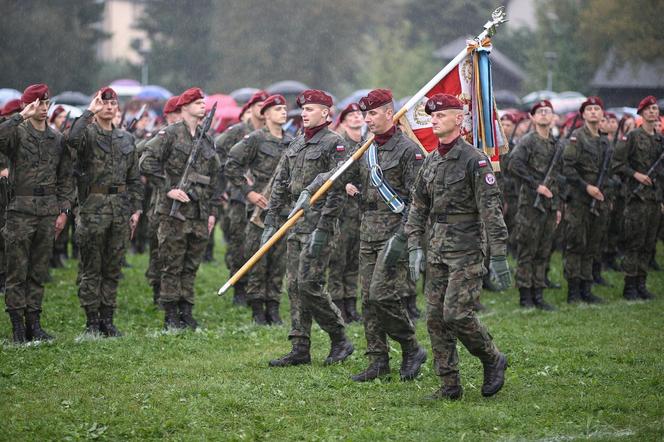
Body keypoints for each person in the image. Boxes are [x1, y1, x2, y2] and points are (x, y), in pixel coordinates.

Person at [406, 93, 509, 400]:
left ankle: (492, 358)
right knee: (435, 319)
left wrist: (500, 254)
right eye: (432, 117)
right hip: (437, 248)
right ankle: (449, 384)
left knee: (456, 315)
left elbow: (491, 209)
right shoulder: (432, 160)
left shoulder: (474, 160)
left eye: (440, 116)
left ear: (459, 119)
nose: (434, 120)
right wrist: (414, 246)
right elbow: (418, 206)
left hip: (466, 249)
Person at [332, 89, 427, 382]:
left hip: (394, 234)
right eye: (365, 114)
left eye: (373, 113)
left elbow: (418, 200)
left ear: (390, 113)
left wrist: (405, 237)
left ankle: (411, 346)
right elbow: (342, 171)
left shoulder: (408, 150)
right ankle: (377, 359)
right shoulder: (365, 147)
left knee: (383, 295)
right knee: (369, 299)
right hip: (368, 231)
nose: (367, 120)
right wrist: (335, 186)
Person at [264, 89, 353, 367]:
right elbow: (280, 182)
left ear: (326, 113)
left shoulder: (335, 144)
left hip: (319, 225)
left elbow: (337, 189)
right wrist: (270, 221)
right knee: (294, 286)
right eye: (303, 109)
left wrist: (324, 228)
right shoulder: (297, 142)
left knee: (309, 284)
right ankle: (300, 346)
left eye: (311, 109)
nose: (304, 113)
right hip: (295, 223)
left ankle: (339, 338)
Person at [141, 87, 222, 330]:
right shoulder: (170, 134)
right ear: (184, 107)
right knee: (171, 264)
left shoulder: (206, 138)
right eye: (197, 103)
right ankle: (170, 314)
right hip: (173, 212)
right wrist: (167, 188)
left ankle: (186, 311)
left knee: (190, 265)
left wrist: (211, 212)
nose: (202, 106)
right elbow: (145, 161)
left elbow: (214, 175)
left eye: (203, 102)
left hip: (198, 212)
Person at [0, 84, 74, 343]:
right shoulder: (17, 133)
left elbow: (65, 178)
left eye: (46, 103)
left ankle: (34, 322)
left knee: (38, 269)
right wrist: (20, 115)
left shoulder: (56, 139)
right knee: (17, 270)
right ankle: (17, 326)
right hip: (20, 211)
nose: (43, 108)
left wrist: (64, 209)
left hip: (47, 211)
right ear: (28, 105)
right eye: (38, 104)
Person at [67, 87, 143, 336]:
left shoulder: (126, 139)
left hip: (120, 210)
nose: (109, 107)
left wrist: (136, 209)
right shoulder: (87, 134)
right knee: (91, 268)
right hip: (93, 209)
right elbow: (71, 140)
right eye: (104, 103)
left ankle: (107, 320)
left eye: (113, 103)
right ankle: (91, 321)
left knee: (112, 268)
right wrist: (90, 111)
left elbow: (134, 178)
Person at [225, 94, 292, 325]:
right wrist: (248, 192)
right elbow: (232, 164)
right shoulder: (255, 139)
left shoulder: (291, 142)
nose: (283, 112)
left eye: (284, 109)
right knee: (258, 258)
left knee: (278, 261)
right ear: (265, 114)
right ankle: (257, 309)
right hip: (259, 211)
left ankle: (273, 307)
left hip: (283, 209)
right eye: (277, 109)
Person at [216, 90, 269, 306]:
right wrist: (229, 176)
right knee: (239, 241)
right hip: (240, 195)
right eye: (260, 106)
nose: (264, 110)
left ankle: (258, 287)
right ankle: (239, 286)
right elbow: (218, 148)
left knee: (259, 242)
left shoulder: (269, 133)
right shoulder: (239, 131)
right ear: (251, 108)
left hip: (263, 195)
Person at [508, 100, 560, 310]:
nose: (544, 115)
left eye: (548, 112)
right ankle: (525, 295)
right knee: (527, 250)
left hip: (549, 205)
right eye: (540, 112)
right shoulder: (528, 141)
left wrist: (557, 206)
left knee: (543, 250)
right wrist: (535, 185)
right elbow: (514, 164)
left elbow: (558, 176)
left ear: (553, 117)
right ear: (532, 117)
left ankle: (538, 293)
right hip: (530, 204)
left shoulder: (555, 143)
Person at [613, 96, 663, 300]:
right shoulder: (633, 136)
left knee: (648, 243)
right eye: (648, 109)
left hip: (654, 199)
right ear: (641, 113)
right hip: (636, 199)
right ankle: (630, 285)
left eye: (654, 109)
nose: (653, 111)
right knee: (634, 241)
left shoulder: (659, 139)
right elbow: (617, 164)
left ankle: (641, 283)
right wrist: (636, 175)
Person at [561, 97, 608, 304]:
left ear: (602, 114)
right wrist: (586, 187)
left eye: (597, 109)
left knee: (592, 245)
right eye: (589, 109)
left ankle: (586, 288)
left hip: (598, 201)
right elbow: (567, 168)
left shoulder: (605, 141)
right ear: (583, 114)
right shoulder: (577, 138)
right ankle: (573, 291)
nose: (594, 112)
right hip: (579, 200)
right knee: (576, 244)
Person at [140, 95, 181, 306]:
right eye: (178, 113)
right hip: (160, 203)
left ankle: (175, 292)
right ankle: (158, 290)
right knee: (158, 249)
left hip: (182, 205)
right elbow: (140, 157)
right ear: (170, 115)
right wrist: (162, 180)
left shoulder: (188, 137)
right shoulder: (161, 136)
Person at [327, 103, 363, 323]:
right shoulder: (340, 144)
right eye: (352, 115)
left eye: (360, 114)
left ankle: (351, 304)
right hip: (342, 212)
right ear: (344, 121)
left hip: (361, 211)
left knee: (354, 262)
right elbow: (329, 175)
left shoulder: (367, 144)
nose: (357, 117)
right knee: (338, 261)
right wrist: (343, 185)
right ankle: (338, 306)